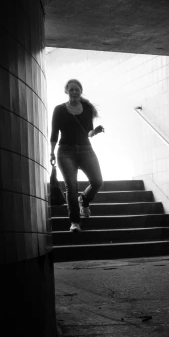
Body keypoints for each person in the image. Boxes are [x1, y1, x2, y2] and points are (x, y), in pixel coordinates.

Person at [50, 79, 105, 233]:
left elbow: (88, 131)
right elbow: (54, 133)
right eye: (72, 89)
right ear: (67, 91)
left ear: (81, 91)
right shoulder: (59, 110)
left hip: (86, 149)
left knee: (97, 181)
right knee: (71, 186)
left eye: (77, 89)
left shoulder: (87, 108)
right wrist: (51, 152)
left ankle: (84, 200)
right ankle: (75, 222)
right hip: (65, 151)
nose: (74, 92)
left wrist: (95, 132)